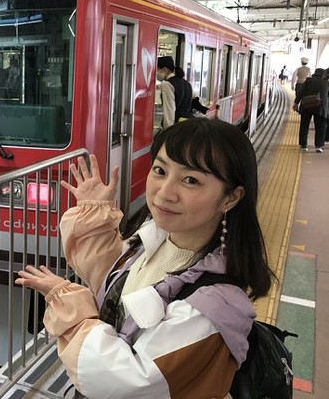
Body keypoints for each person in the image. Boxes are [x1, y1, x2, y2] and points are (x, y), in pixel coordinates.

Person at [16, 118, 274, 399]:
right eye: (160, 170)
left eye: (191, 180)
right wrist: (93, 216)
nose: (165, 193)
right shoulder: (156, 239)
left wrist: (68, 305)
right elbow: (112, 279)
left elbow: (123, 381)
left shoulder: (213, 308)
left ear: (230, 198)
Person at [293, 67, 328, 153]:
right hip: (320, 107)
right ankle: (319, 146)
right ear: (323, 75)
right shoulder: (326, 83)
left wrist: (296, 103)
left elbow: (301, 92)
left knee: (304, 125)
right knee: (320, 126)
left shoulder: (308, 80)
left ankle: (304, 145)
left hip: (307, 106)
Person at [157, 56, 193, 128]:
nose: (156, 73)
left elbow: (169, 111)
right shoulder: (186, 83)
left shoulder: (167, 84)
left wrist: (167, 132)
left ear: (164, 69)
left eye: (157, 70)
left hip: (175, 127)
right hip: (187, 125)